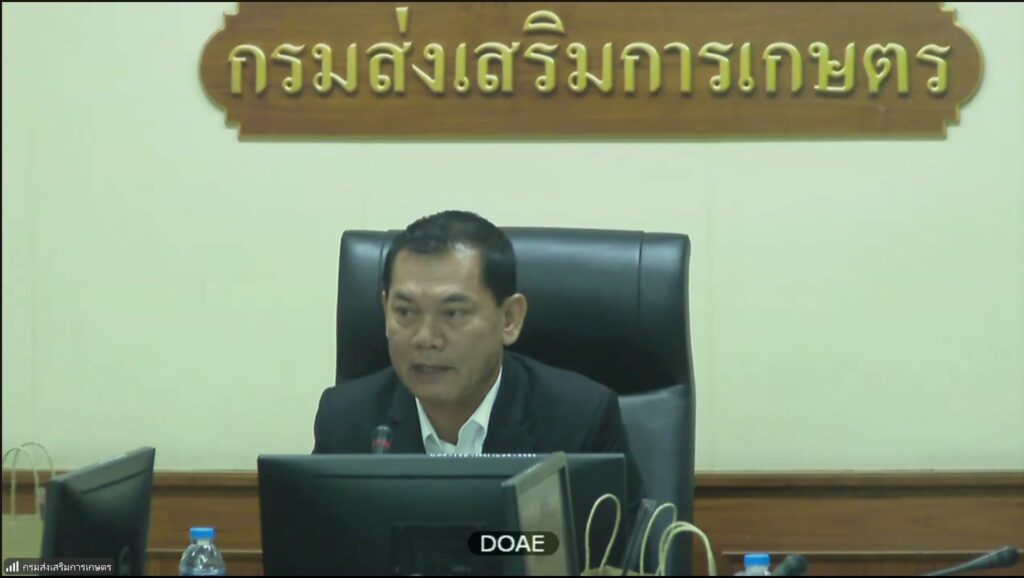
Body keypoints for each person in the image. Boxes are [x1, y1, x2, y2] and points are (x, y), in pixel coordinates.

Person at [312, 210, 644, 534]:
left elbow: (612, 554)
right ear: (385, 310)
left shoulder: (579, 421)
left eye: (454, 313)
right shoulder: (345, 422)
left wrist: (486, 547)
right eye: (406, 312)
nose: (426, 338)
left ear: (510, 318)